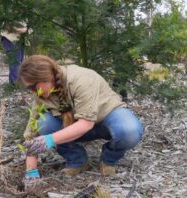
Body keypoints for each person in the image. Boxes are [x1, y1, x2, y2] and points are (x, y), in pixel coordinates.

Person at [19, 55, 143, 189]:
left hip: (106, 118)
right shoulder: (41, 93)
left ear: (45, 78)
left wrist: (47, 140)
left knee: (129, 131)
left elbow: (86, 124)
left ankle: (109, 159)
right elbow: (31, 134)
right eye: (28, 88)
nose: (31, 91)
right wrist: (31, 172)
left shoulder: (81, 79)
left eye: (32, 87)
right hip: (77, 127)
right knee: (44, 124)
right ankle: (78, 160)